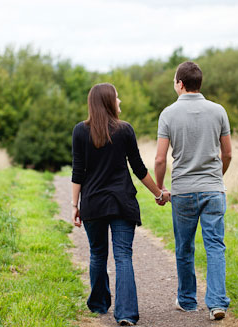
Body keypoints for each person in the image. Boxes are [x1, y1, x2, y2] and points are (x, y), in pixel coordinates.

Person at [71, 83, 169, 327]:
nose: (120, 101)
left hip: (93, 203)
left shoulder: (80, 131)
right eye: (117, 97)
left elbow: (78, 171)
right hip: (121, 203)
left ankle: (98, 304)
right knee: (123, 256)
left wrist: (75, 204)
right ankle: (126, 314)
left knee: (97, 254)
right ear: (107, 102)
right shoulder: (125, 130)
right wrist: (159, 193)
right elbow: (138, 168)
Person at [154, 61, 232, 321]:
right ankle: (217, 303)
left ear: (180, 84)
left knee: (184, 247)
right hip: (213, 190)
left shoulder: (168, 114)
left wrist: (160, 188)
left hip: (183, 192)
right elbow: (228, 153)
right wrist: (215, 178)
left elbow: (160, 159)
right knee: (215, 247)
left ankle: (187, 301)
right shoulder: (218, 111)